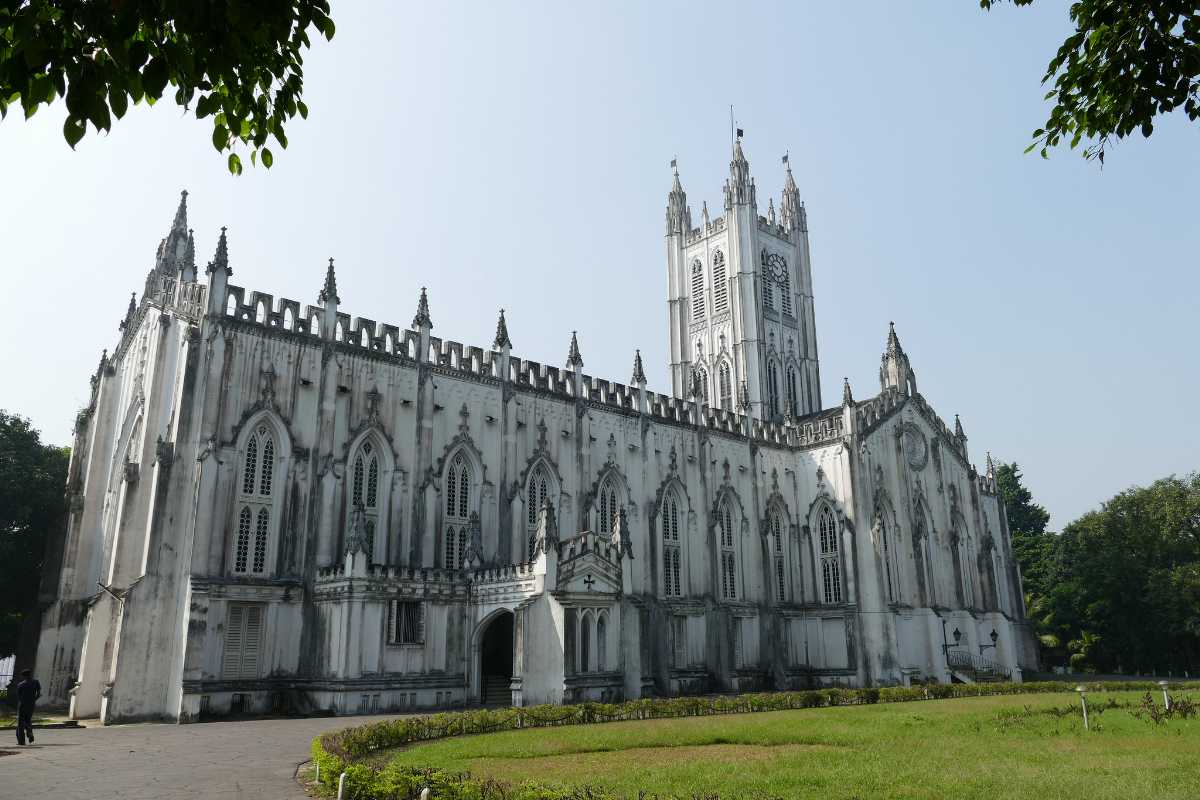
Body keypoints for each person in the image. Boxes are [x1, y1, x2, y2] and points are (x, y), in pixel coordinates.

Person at [14, 668, 41, 746]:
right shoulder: (36, 682)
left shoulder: (21, 684)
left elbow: (19, 697)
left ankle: (21, 741)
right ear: (30, 675)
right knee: (28, 720)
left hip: (22, 705)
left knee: (20, 724)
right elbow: (38, 694)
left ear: (23, 676)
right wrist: (34, 700)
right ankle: (30, 734)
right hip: (31, 705)